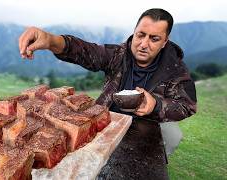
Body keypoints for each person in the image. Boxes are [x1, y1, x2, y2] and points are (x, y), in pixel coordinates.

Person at [19, 8, 197, 179]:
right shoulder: (118, 54)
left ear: (165, 41)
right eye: (140, 35)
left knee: (172, 136)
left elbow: (186, 106)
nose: (143, 44)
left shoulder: (174, 70)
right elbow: (86, 51)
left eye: (154, 39)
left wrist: (155, 105)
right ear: (134, 32)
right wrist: (51, 40)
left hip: (147, 125)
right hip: (110, 118)